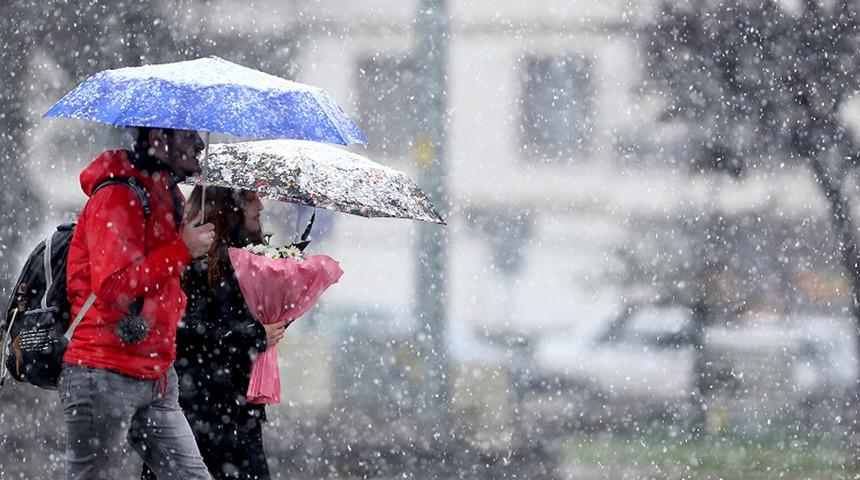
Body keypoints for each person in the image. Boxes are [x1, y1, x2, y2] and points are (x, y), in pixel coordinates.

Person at [61, 127, 216, 479]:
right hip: (103, 372)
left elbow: (165, 275)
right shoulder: (117, 194)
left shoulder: (167, 193)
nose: (199, 144)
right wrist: (183, 250)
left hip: (156, 375)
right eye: (188, 135)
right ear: (159, 137)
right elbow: (114, 285)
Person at [142, 185, 287, 480]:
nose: (260, 207)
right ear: (228, 206)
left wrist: (279, 313)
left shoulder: (252, 257)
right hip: (197, 404)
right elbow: (184, 328)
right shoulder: (195, 259)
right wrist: (252, 335)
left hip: (237, 406)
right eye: (251, 200)